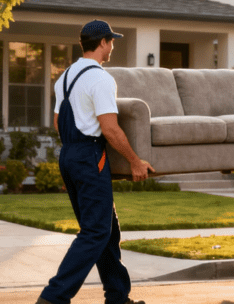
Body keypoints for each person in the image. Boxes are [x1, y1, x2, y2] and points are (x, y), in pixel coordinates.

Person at [38, 20, 154, 304]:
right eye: (111, 41)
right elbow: (110, 129)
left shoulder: (65, 77)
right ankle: (53, 297)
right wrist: (135, 161)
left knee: (106, 230)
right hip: (90, 157)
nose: (112, 46)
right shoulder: (101, 79)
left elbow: (57, 122)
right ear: (103, 42)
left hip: (69, 155)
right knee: (95, 232)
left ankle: (117, 296)